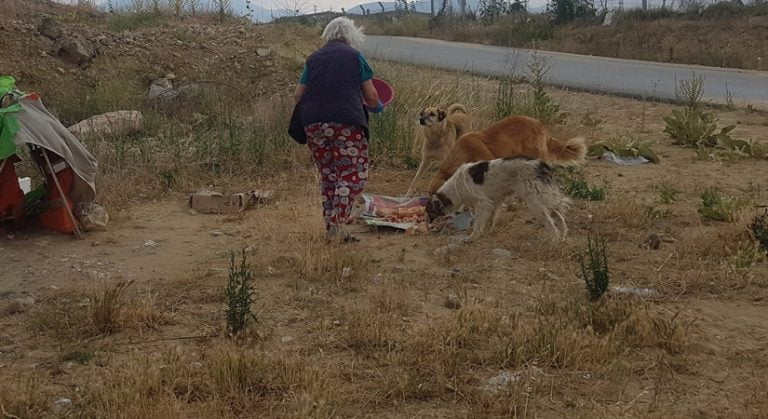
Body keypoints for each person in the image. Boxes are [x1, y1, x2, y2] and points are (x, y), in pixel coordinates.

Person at [294, 17, 383, 243]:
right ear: (352, 36)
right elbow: (372, 96)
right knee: (352, 175)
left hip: (313, 124)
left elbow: (298, 96)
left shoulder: (313, 59)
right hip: (345, 123)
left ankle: (332, 227)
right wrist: (377, 106)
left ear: (327, 35)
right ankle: (337, 225)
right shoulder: (355, 57)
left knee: (329, 175)